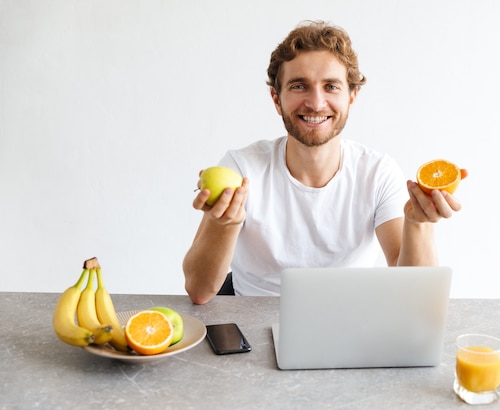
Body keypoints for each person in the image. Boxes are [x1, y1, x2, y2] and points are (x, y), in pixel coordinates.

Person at [183, 20, 465, 304]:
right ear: (276, 99)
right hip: (251, 324)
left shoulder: (377, 173)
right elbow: (199, 290)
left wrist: (418, 223)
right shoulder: (242, 168)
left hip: (348, 325)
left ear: (352, 96)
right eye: (299, 86)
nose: (316, 103)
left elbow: (416, 299)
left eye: (330, 86)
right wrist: (225, 224)